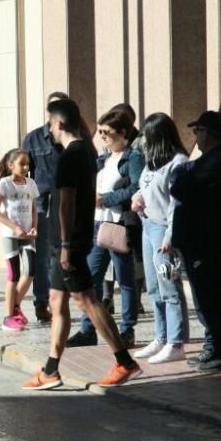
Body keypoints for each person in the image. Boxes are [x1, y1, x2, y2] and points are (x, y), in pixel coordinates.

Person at [21, 98, 142, 390]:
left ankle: (124, 362)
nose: (48, 129)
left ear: (59, 123)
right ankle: (50, 370)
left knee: (86, 299)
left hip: (69, 241)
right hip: (67, 240)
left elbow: (66, 203)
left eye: (50, 122)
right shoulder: (86, 150)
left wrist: (64, 245)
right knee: (57, 300)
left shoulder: (71, 155)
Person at [170, 111, 221, 372]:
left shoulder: (218, 159)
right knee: (207, 295)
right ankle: (214, 346)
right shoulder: (213, 158)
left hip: (205, 239)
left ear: (209, 134)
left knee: (210, 296)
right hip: (199, 238)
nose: (195, 137)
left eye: (197, 131)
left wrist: (181, 171)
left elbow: (179, 184)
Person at [67, 106, 143, 348]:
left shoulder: (133, 157)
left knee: (125, 278)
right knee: (91, 277)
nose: (102, 136)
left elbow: (136, 188)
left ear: (123, 133)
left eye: (106, 132)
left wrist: (106, 198)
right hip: (97, 222)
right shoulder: (103, 158)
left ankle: (127, 329)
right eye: (99, 132)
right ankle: (88, 329)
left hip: (117, 223)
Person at [131, 113, 190, 363]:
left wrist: (170, 236)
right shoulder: (152, 161)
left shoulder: (178, 162)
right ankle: (161, 336)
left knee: (169, 286)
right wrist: (137, 197)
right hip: (147, 224)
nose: (143, 139)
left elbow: (178, 203)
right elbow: (147, 187)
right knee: (154, 287)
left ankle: (176, 342)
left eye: (146, 134)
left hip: (164, 229)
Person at [20, 91, 72, 324]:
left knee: (63, 252)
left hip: (65, 201)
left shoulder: (72, 137)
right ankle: (41, 303)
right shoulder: (32, 139)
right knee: (41, 256)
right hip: (40, 203)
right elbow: (21, 172)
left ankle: (61, 299)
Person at [0, 148, 38, 332]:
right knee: (14, 275)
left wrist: (34, 227)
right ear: (11, 165)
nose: (26, 167)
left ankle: (15, 306)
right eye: (22, 164)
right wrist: (14, 227)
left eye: (28, 164)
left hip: (28, 236)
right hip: (11, 236)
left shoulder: (31, 184)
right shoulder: (5, 184)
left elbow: (34, 209)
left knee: (30, 271)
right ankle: (9, 316)